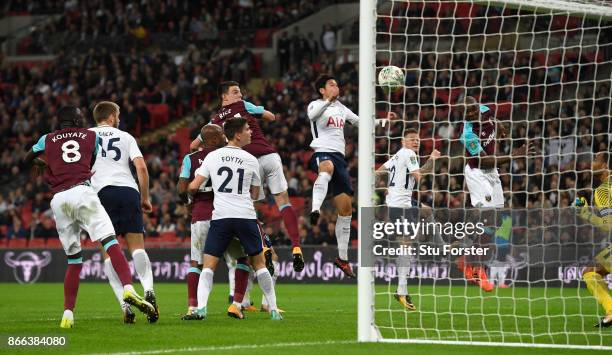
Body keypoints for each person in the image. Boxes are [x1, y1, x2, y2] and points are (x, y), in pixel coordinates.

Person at [23, 106, 155, 328]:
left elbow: (29, 157)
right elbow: (91, 161)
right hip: (84, 192)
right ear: (76, 119)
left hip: (59, 200)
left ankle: (67, 314)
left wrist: (43, 164)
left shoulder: (47, 138)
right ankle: (129, 288)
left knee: (74, 260)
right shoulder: (90, 135)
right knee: (110, 241)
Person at [190, 81, 304, 273]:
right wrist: (257, 113)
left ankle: (265, 245)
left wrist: (208, 153)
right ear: (224, 97)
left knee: (252, 209)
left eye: (241, 92)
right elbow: (271, 117)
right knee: (283, 201)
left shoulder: (214, 122)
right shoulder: (244, 106)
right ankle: (296, 246)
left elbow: (194, 145)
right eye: (236, 92)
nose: (240, 96)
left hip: (248, 162)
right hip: (269, 156)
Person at [188, 117, 282, 321]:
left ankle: (201, 309)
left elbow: (193, 186)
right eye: (248, 129)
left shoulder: (213, 157)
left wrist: (198, 195)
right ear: (237, 135)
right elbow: (255, 194)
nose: (251, 132)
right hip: (245, 217)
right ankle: (273, 309)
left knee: (208, 265)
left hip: (221, 217)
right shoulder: (251, 159)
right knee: (259, 264)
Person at [89, 101, 158, 324]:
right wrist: (145, 198)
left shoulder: (86, 137)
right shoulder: (126, 137)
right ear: (110, 117)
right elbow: (141, 168)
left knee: (109, 252)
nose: (118, 118)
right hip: (128, 191)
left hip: (100, 194)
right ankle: (148, 290)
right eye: (117, 115)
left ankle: (125, 306)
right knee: (137, 247)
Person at [458, 96, 534, 291]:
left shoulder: (486, 109)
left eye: (475, 110)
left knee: (496, 222)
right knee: (488, 217)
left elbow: (495, 119)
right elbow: (485, 161)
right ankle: (476, 268)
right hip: (478, 173)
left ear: (478, 107)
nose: (474, 115)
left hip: (492, 173)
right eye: (470, 114)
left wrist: (498, 127)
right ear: (465, 115)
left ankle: (466, 260)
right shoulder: (468, 134)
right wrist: (515, 155)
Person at [307, 74, 365, 277]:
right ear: (322, 90)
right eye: (331, 84)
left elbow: (360, 122)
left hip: (340, 158)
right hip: (322, 151)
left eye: (337, 83)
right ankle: (315, 210)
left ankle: (342, 258)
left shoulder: (341, 108)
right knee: (326, 168)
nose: (336, 86)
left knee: (346, 209)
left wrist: (383, 121)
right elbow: (313, 117)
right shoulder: (315, 104)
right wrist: (329, 101)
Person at [377, 128, 440, 310]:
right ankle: (401, 290)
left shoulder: (397, 155)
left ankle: (441, 246)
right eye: (412, 139)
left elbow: (379, 171)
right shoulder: (409, 154)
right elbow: (419, 176)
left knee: (426, 212)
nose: (416, 142)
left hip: (400, 202)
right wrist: (432, 159)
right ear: (404, 141)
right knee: (406, 244)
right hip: (401, 206)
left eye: (418, 139)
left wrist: (379, 187)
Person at [576, 152, 612, 327]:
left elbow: (608, 224)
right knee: (591, 270)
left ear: (605, 165)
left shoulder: (603, 190)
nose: (591, 163)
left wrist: (585, 213)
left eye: (596, 160)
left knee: (590, 273)